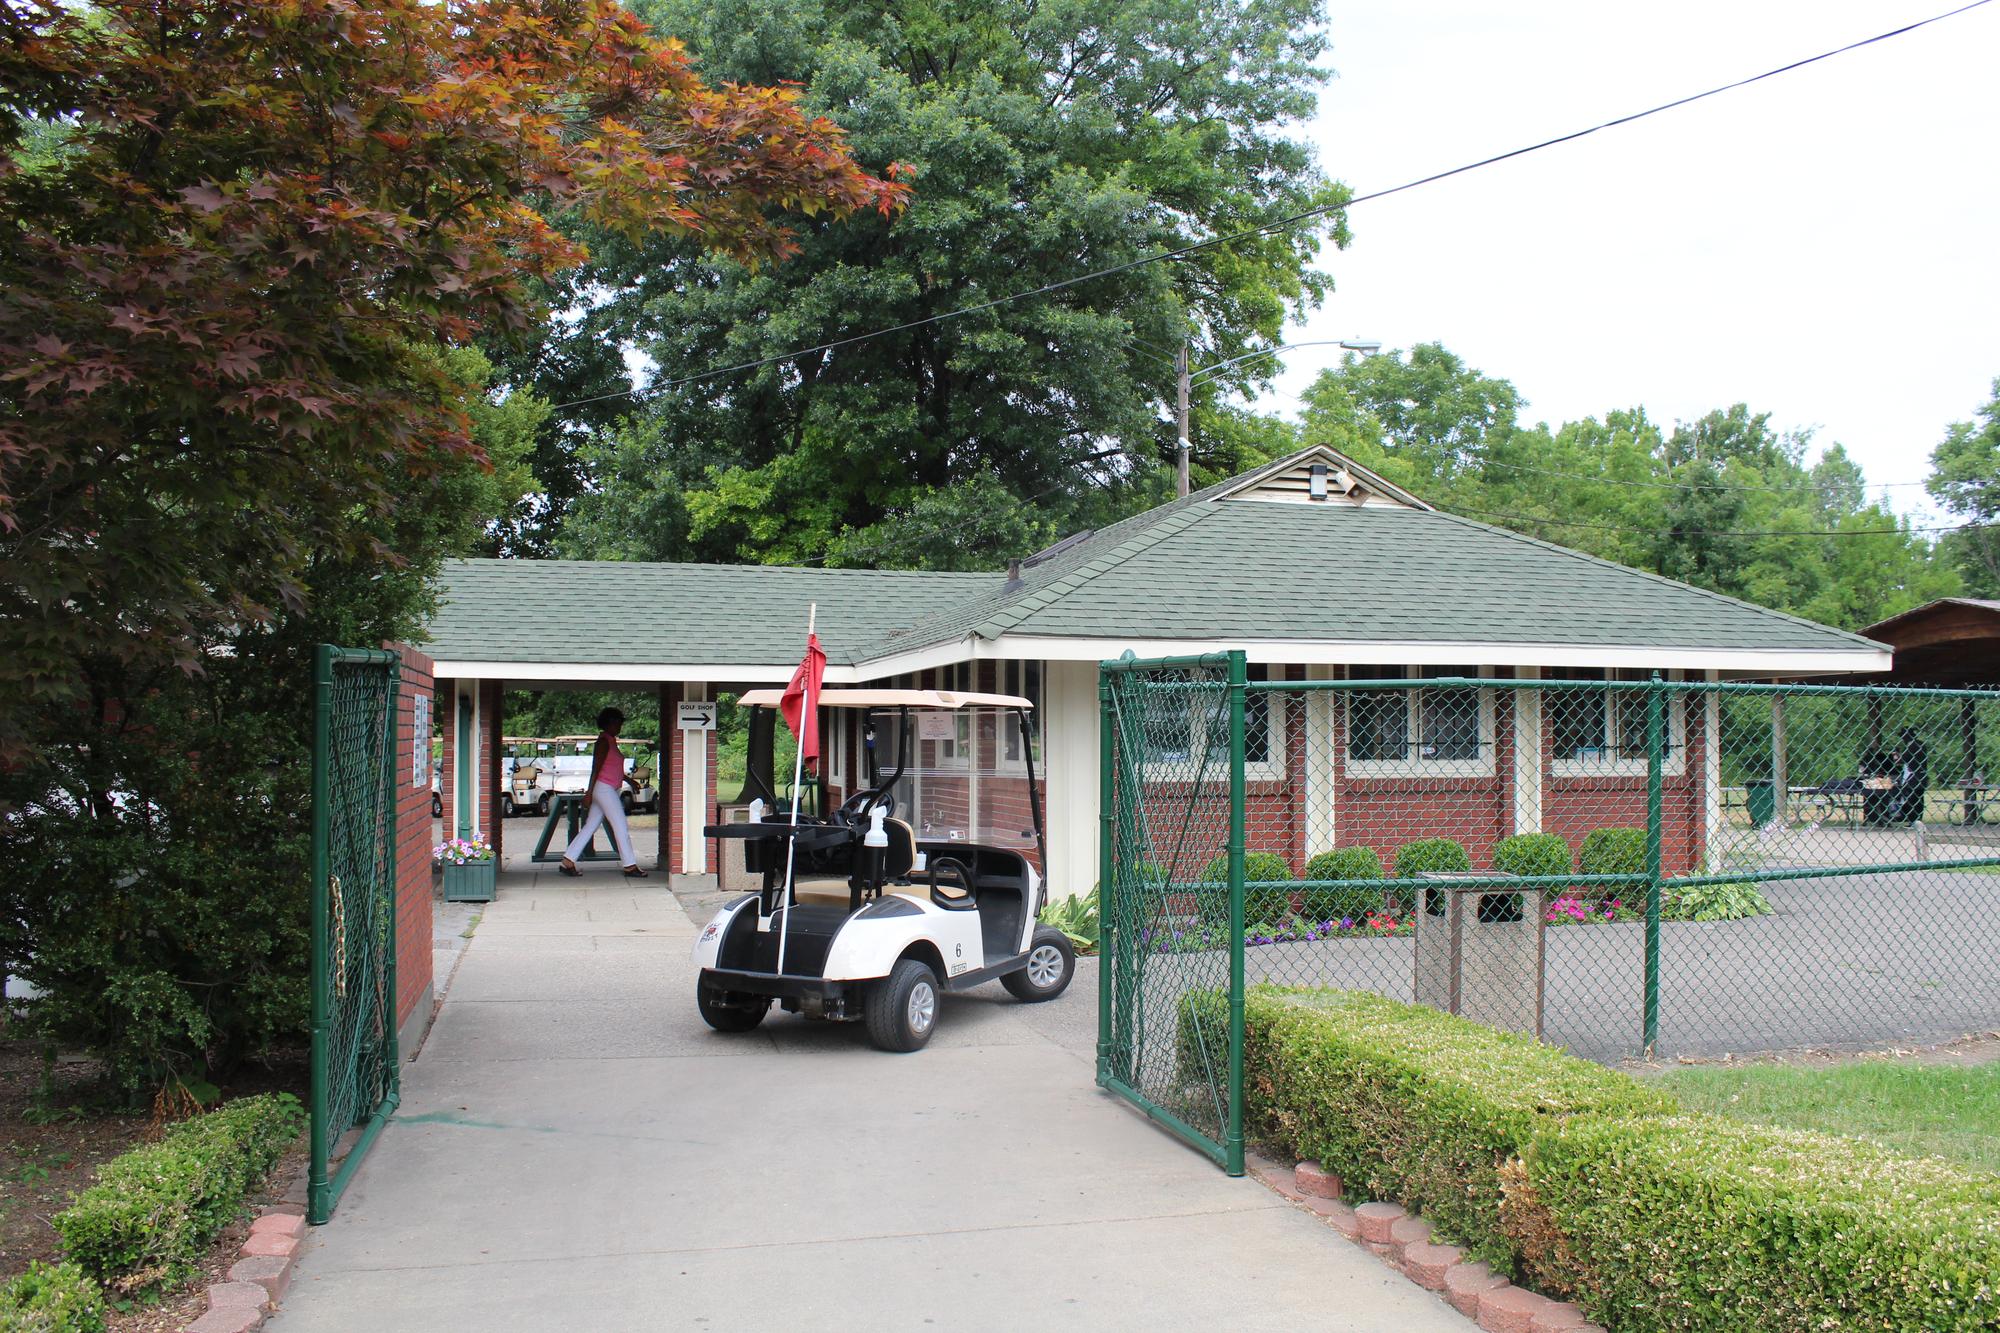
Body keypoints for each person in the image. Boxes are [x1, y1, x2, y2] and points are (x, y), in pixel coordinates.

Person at [559, 707, 646, 877]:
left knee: (590, 826)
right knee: (620, 825)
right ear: (610, 723)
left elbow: (613, 769)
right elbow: (596, 768)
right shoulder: (604, 742)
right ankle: (629, 865)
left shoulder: (611, 741)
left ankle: (568, 861)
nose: (620, 727)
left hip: (606, 788)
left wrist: (629, 780)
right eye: (618, 723)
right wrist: (589, 793)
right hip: (603, 789)